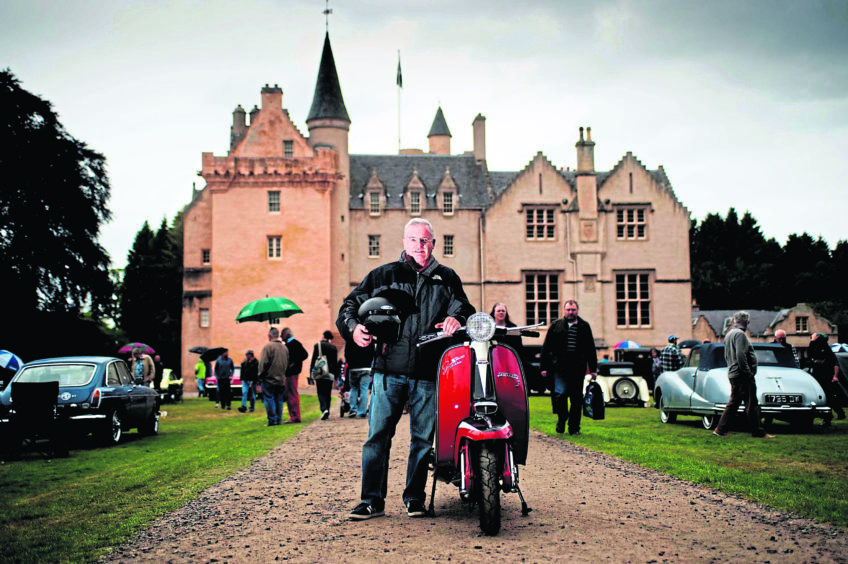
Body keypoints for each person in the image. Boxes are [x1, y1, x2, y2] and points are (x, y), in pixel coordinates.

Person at [337, 218, 474, 521]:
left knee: (423, 440)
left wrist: (457, 319)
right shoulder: (382, 275)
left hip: (428, 372)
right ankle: (372, 501)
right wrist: (354, 327)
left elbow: (466, 309)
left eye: (425, 240)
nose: (419, 246)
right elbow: (348, 306)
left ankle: (415, 498)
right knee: (377, 438)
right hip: (388, 370)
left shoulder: (447, 278)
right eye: (413, 240)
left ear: (433, 243)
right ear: (404, 242)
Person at [540, 299, 598, 436]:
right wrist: (544, 366)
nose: (570, 312)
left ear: (577, 311)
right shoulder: (556, 326)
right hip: (559, 368)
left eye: (573, 310)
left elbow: (591, 349)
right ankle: (562, 419)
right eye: (568, 310)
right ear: (564, 311)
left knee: (576, 399)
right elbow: (546, 347)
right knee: (560, 395)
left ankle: (574, 427)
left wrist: (594, 369)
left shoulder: (584, 326)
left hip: (577, 368)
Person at [714, 311, 775, 438]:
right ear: (747, 321)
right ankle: (758, 431)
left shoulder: (729, 334)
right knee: (751, 403)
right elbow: (741, 355)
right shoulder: (740, 335)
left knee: (735, 402)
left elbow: (727, 355)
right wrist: (748, 371)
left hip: (733, 372)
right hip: (742, 374)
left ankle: (721, 429)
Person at [808, 332, 845, 420]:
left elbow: (833, 363)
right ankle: (834, 414)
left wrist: (835, 376)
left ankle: (833, 414)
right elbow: (812, 354)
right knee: (827, 396)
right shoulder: (818, 347)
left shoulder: (824, 349)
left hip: (825, 375)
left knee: (829, 396)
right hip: (819, 374)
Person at [258, 327, 289, 426]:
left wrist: (260, 375)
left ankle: (272, 420)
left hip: (269, 378)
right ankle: (278, 419)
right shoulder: (284, 348)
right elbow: (286, 363)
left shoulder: (268, 347)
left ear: (269, 336)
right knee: (279, 399)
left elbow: (263, 363)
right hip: (281, 378)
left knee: (269, 398)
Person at [281, 327, 308, 424]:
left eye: (282, 334)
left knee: (291, 393)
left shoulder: (293, 344)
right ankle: (294, 415)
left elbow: (304, 355)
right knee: (291, 393)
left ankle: (295, 416)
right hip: (291, 372)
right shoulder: (291, 344)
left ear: (286, 335)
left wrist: (294, 363)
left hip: (291, 372)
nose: (280, 336)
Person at [310, 330, 340, 420]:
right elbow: (335, 362)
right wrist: (336, 375)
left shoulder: (317, 346)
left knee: (320, 392)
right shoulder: (333, 347)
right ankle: (327, 408)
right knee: (328, 392)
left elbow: (313, 361)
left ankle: (324, 409)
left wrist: (311, 373)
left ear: (323, 336)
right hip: (329, 373)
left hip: (320, 371)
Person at [346, 341, 375, 419]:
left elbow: (347, 354)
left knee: (353, 388)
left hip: (354, 368)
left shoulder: (351, 339)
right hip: (366, 367)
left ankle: (353, 409)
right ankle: (362, 411)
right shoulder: (369, 340)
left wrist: (350, 364)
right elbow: (373, 353)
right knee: (364, 389)